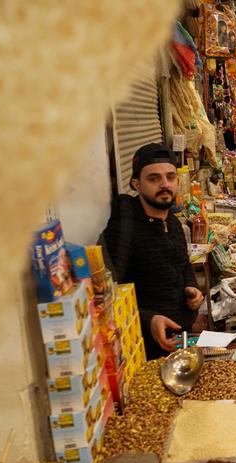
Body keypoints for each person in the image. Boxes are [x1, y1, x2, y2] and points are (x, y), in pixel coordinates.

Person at [100, 143, 204, 359]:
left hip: (178, 338)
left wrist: (192, 288)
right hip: (143, 346)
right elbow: (111, 295)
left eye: (170, 177)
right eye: (154, 178)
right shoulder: (123, 229)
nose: (165, 185)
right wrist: (149, 320)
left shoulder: (173, 222)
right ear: (137, 184)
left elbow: (183, 266)